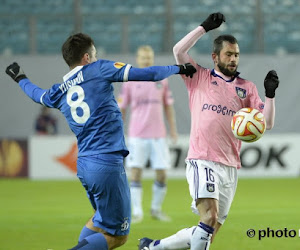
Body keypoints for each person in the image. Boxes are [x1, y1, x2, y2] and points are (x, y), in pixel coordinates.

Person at [5, 33, 196, 250]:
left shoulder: (60, 91)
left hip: (85, 164)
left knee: (100, 221)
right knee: (119, 236)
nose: (96, 58)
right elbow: (147, 74)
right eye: (94, 55)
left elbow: (37, 94)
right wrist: (179, 69)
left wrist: (20, 77)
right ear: (87, 57)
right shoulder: (98, 69)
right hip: (107, 164)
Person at [138, 12, 279, 250]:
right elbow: (178, 51)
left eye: (236, 54)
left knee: (209, 231)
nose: (234, 59)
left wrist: (270, 95)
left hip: (230, 166)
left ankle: (153, 247)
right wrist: (203, 27)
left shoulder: (247, 88)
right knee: (209, 218)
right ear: (215, 56)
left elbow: (267, 123)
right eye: (229, 54)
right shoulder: (198, 76)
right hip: (202, 160)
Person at [118, 45, 178, 223]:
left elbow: (168, 106)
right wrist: (118, 132)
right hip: (137, 134)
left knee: (162, 173)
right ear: (137, 59)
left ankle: (156, 209)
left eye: (149, 57)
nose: (146, 60)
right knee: (135, 173)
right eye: (143, 57)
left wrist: (173, 129)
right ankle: (137, 212)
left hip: (158, 135)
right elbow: (122, 108)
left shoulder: (161, 79)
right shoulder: (129, 81)